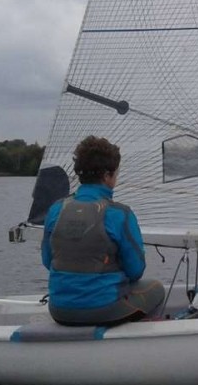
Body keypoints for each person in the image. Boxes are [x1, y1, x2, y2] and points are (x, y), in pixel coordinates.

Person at [41, 136, 165, 326]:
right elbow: (136, 271)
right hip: (103, 310)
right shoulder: (120, 214)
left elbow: (48, 261)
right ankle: (138, 338)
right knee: (156, 288)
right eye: (116, 173)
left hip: (59, 310)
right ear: (107, 175)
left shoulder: (56, 209)